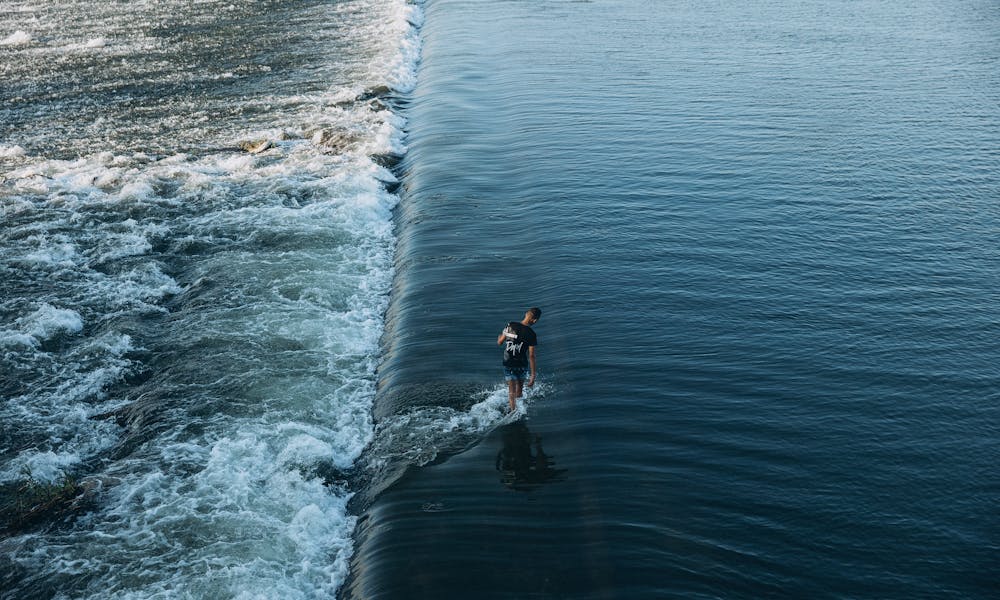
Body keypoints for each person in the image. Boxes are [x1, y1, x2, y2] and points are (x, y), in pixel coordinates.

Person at [496, 307, 541, 412]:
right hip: (522, 365)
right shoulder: (532, 334)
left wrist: (500, 337)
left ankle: (512, 411)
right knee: (519, 390)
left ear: (526, 314)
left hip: (508, 363)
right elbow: (531, 356)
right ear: (535, 320)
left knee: (511, 391)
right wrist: (533, 375)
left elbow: (499, 342)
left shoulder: (510, 325)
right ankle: (519, 410)